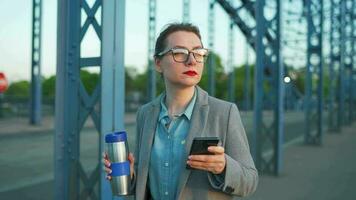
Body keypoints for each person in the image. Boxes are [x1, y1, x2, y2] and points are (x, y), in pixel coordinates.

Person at [103, 22, 258, 200]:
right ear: (158, 63)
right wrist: (130, 176)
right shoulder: (145, 114)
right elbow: (145, 183)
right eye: (179, 53)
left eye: (198, 53)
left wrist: (224, 167)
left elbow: (250, 181)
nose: (191, 60)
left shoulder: (225, 112)